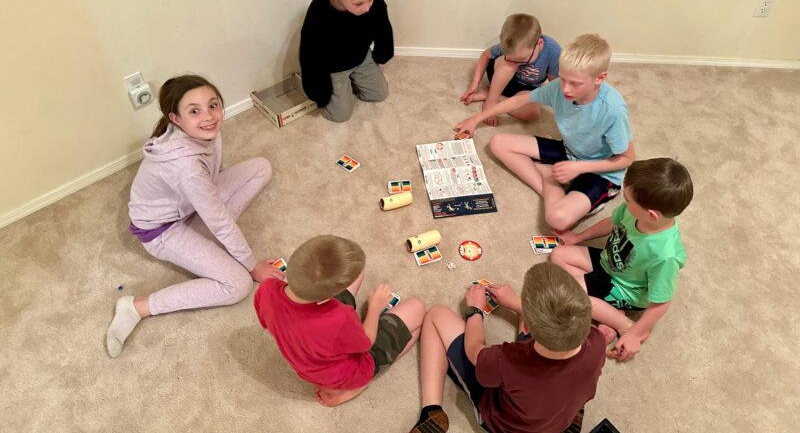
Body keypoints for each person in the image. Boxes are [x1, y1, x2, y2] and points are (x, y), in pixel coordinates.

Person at [105, 75, 281, 358]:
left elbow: (213, 173)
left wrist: (209, 200)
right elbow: (219, 219)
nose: (209, 116)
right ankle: (137, 307)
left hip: (190, 205)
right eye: (195, 111)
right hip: (162, 231)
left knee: (261, 168)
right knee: (238, 284)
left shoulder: (206, 131)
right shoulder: (186, 168)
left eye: (213, 105)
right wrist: (251, 266)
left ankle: (209, 240)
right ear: (175, 119)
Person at [454, 34, 635, 232]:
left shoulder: (613, 110)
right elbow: (519, 101)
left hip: (601, 172)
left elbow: (626, 159)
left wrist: (579, 167)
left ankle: (551, 181)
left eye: (575, 83)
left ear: (600, 78)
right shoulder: (559, 88)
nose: (565, 89)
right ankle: (550, 183)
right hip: (569, 152)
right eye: (563, 78)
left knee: (558, 219)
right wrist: (476, 119)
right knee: (498, 142)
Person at [410, 263, 606, 433]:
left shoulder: (509, 360)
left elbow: (474, 349)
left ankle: (431, 411)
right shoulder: (597, 340)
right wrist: (513, 302)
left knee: (436, 315)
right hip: (557, 414)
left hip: (504, 424)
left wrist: (475, 310)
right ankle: (570, 416)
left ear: (527, 327)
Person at [254, 235, 425, 407]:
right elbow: (366, 343)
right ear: (327, 298)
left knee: (355, 270)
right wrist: (374, 309)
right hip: (345, 375)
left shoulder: (266, 288)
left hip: (306, 366)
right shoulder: (339, 318)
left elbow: (267, 322)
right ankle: (355, 387)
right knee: (418, 309)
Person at [551, 157, 693, 362]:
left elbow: (662, 301)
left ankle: (624, 324)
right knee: (558, 254)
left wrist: (636, 333)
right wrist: (578, 237)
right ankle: (609, 310)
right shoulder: (635, 212)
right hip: (608, 261)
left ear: (652, 215)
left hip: (625, 288)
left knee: (566, 295)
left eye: (628, 199)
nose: (624, 202)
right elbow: (613, 222)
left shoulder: (665, 255)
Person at [299, 0, 394, 122]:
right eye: (359, 4)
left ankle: (354, 80)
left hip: (361, 57)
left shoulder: (374, 0)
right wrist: (318, 92)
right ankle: (343, 86)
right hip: (334, 67)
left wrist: (382, 54)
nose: (367, 8)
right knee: (341, 115)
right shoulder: (319, 11)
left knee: (380, 94)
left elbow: (383, 27)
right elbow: (309, 54)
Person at [460, 13, 560, 125]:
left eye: (522, 59)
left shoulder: (553, 51)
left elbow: (554, 83)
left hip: (528, 86)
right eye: (510, 57)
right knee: (509, 66)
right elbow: (485, 55)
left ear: (539, 44)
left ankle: (490, 94)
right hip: (499, 77)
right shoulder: (512, 44)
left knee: (533, 113)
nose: (517, 62)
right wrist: (474, 83)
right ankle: (491, 102)